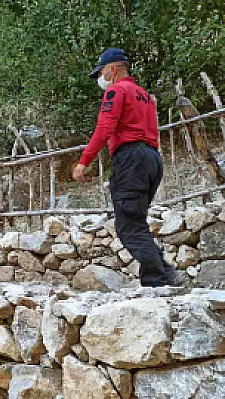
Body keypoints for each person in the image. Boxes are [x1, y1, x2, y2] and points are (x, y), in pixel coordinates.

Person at [73, 48, 182, 287]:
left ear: (112, 69)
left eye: (101, 72)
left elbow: (105, 128)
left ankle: (158, 279)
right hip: (152, 158)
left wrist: (84, 161)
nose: (100, 78)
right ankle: (164, 273)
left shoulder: (116, 90)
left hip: (130, 159)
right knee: (136, 221)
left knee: (128, 226)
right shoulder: (144, 95)